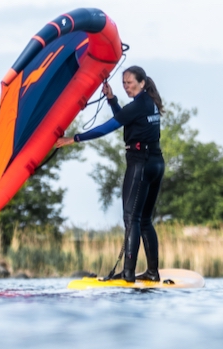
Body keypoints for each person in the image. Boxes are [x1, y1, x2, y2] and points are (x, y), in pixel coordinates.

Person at [54, 66, 165, 283]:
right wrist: (112, 99)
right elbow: (124, 117)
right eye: (123, 83)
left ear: (142, 83)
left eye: (130, 82)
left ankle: (129, 275)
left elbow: (108, 127)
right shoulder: (149, 103)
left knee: (130, 218)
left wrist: (74, 139)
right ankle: (152, 272)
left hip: (140, 164)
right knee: (144, 220)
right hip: (156, 163)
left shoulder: (139, 104)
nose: (126, 86)